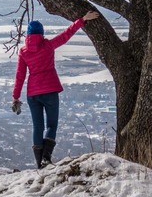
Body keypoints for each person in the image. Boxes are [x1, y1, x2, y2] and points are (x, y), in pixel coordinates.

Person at [12, 11, 100, 169]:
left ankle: (39, 163)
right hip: (50, 91)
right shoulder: (47, 46)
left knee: (37, 127)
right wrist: (82, 19)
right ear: (41, 33)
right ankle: (46, 158)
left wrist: (16, 97)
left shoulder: (24, 52)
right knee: (51, 125)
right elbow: (66, 35)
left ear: (28, 35)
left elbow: (20, 75)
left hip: (33, 94)